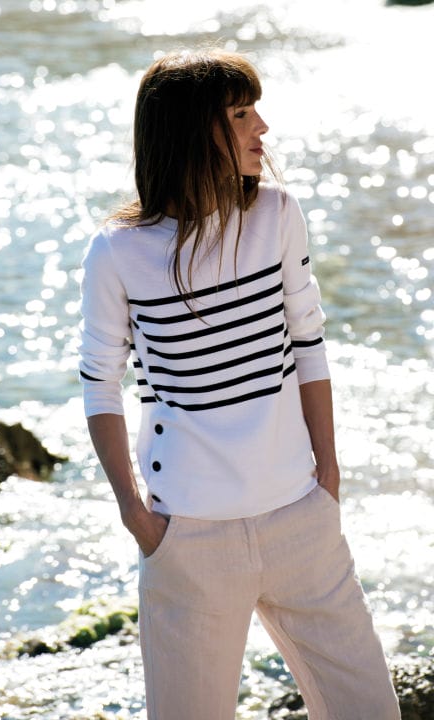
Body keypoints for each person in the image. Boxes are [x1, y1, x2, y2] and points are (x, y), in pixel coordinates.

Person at [79, 48, 400, 720]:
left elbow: (309, 344)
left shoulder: (278, 214)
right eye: (240, 114)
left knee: (369, 708)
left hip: (301, 520)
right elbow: (100, 385)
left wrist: (328, 478)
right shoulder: (118, 251)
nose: (262, 128)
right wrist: (135, 514)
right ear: (194, 131)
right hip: (189, 539)